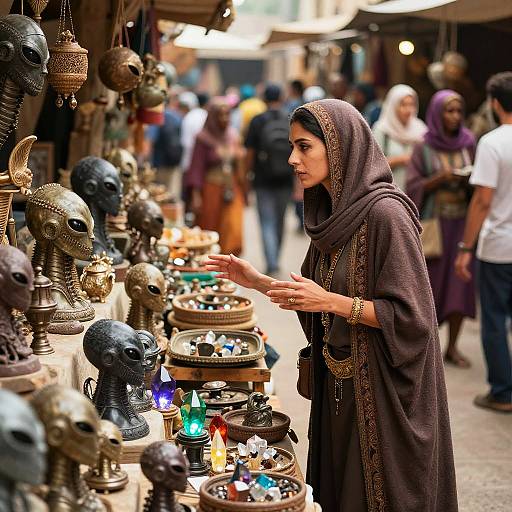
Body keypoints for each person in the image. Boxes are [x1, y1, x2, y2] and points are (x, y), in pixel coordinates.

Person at [207, 99, 457, 511]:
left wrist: (334, 303)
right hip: (341, 389)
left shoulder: (385, 216)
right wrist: (259, 282)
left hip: (384, 395)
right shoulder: (332, 214)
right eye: (292, 147)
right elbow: (315, 297)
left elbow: (415, 319)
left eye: (304, 147)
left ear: (339, 148)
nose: (292, 159)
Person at [455, 72, 512, 413]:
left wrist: (465, 248)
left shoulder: (493, 142)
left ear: (494, 103)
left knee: (494, 320)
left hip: (500, 246)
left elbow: (482, 201)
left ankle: (503, 392)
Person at [407, 90, 476, 368]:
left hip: (462, 224)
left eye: (459, 110)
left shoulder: (468, 142)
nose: (455, 116)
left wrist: (467, 180)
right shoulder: (423, 146)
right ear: (437, 113)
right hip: (434, 225)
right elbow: (412, 186)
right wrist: (438, 180)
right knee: (431, 287)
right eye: (449, 111)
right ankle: (428, 348)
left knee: (460, 287)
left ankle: (453, 346)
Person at [184, 98, 245, 255]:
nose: (225, 119)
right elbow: (196, 168)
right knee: (210, 230)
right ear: (212, 117)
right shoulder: (203, 138)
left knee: (233, 229)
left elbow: (240, 166)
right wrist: (195, 195)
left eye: (227, 114)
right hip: (210, 189)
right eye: (220, 115)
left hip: (231, 188)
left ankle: (229, 264)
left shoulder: (233, 136)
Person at [245, 83, 294, 274]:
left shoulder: (258, 120)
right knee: (281, 221)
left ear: (264, 99)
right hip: (286, 179)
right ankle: (276, 257)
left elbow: (249, 153)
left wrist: (247, 177)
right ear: (281, 98)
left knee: (266, 220)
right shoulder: (289, 119)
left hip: (262, 179)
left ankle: (271, 260)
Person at [373, 84, 427, 190]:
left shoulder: (421, 128)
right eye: (403, 105)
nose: (408, 110)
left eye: (411, 105)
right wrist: (400, 160)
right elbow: (373, 164)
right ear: (393, 105)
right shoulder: (382, 129)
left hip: (415, 193)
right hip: (390, 192)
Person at [180, 92, 209, 173]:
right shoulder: (204, 114)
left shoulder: (189, 116)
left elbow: (185, 142)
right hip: (201, 161)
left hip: (188, 160)